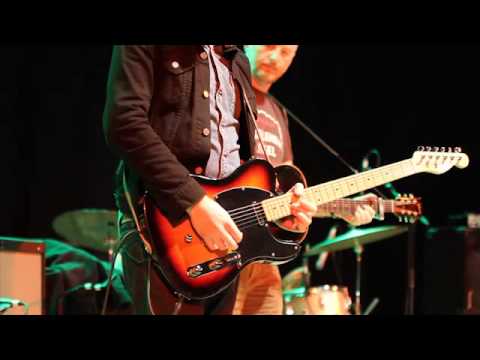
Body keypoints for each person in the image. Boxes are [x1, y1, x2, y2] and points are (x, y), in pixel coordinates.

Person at [102, 45, 317, 315]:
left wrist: (280, 213)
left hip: (226, 244)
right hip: (166, 228)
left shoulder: (235, 59)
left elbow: (243, 168)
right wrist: (195, 202)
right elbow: (124, 124)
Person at [232, 45, 377, 315]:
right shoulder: (226, 91)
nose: (275, 58)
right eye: (270, 47)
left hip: (264, 259)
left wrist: (342, 208)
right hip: (224, 246)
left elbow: (289, 198)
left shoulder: (278, 112)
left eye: (286, 52)